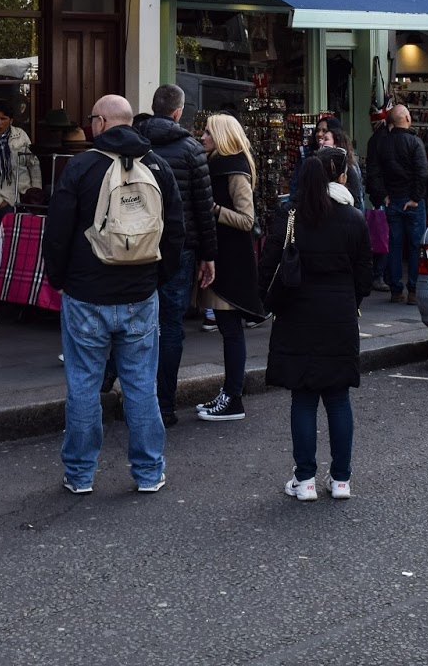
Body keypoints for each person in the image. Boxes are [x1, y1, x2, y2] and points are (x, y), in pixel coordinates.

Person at [43, 93, 184, 494]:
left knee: (85, 384)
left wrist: (60, 279)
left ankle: (81, 475)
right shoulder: (157, 165)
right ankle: (148, 472)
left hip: (87, 294)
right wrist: (157, 278)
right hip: (141, 294)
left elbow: (58, 231)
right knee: (141, 385)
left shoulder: (81, 167)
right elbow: (175, 231)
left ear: (102, 123)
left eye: (92, 119)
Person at [259, 146, 373, 501]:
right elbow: (365, 276)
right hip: (338, 314)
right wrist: (349, 300)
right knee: (338, 398)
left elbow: (267, 264)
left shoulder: (290, 214)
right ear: (340, 177)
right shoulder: (353, 218)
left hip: (296, 313)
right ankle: (341, 480)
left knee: (303, 398)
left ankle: (304, 480)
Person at [139, 83, 218, 427]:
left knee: (135, 323)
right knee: (171, 325)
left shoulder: (133, 142)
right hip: (179, 246)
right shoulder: (190, 148)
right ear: (177, 112)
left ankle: (134, 399)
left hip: (136, 246)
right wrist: (208, 255)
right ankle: (164, 405)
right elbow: (203, 207)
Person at [196, 114, 267, 422]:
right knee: (227, 330)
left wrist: (212, 209)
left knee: (230, 330)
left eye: (208, 132)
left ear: (222, 136)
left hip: (231, 260)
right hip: (222, 256)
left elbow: (246, 219)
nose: (202, 136)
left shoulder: (234, 169)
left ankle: (233, 396)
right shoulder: (219, 165)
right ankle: (229, 393)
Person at [368, 104, 428, 306]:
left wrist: (382, 196)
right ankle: (412, 289)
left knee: (393, 245)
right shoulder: (415, 142)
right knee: (414, 246)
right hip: (411, 202)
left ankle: (395, 289)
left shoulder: (381, 143)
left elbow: (374, 172)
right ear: (407, 118)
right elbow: (422, 173)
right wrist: (416, 198)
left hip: (392, 200)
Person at [317, 117, 364, 211]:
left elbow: (357, 199)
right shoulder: (319, 163)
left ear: (336, 143)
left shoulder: (349, 167)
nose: (321, 142)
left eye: (326, 139)